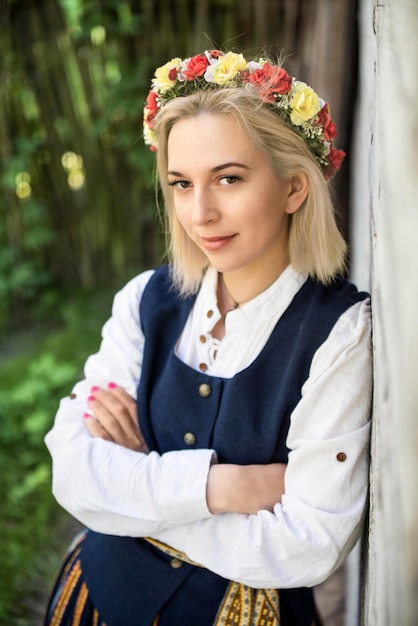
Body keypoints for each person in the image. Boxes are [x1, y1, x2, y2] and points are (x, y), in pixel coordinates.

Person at [43, 49, 372, 626]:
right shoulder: (147, 301)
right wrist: (225, 487)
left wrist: (133, 493)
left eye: (228, 178)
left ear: (294, 188)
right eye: (180, 183)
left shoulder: (337, 333)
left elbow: (310, 540)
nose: (200, 213)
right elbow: (72, 473)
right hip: (97, 595)